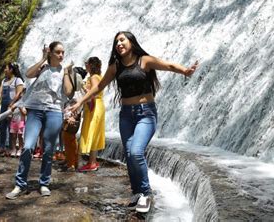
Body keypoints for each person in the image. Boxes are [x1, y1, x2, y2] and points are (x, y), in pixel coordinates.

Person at [69, 31, 197, 213]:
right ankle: (137, 192)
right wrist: (80, 101)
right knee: (129, 155)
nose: (119, 44)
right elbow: (99, 85)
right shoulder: (115, 66)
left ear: (131, 42)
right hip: (126, 116)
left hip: (146, 114)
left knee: (136, 151)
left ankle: (145, 193)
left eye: (122, 40)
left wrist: (184, 70)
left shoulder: (144, 60)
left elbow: (167, 64)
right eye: (116, 42)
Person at [6, 41, 73, 199]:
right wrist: (43, 59)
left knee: (49, 149)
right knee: (28, 146)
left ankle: (44, 183)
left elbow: (69, 92)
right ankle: (20, 184)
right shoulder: (43, 67)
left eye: (63, 52)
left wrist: (66, 73)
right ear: (50, 52)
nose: (61, 55)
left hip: (54, 111)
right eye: (57, 52)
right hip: (35, 110)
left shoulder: (64, 70)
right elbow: (28, 74)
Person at [78, 57, 105, 172]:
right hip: (98, 105)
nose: (85, 65)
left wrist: (82, 86)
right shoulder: (98, 76)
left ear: (91, 65)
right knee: (95, 132)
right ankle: (93, 161)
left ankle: (92, 163)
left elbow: (94, 90)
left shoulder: (94, 77)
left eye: (86, 63)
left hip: (94, 107)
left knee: (92, 132)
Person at [0, 62, 24, 156]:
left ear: (11, 69)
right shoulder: (4, 80)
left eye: (6, 68)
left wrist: (11, 104)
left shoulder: (18, 80)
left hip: (13, 106)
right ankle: (2, 146)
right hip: (4, 105)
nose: (4, 70)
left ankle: (11, 147)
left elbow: (19, 93)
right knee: (2, 126)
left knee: (11, 127)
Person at [61, 66, 87, 171]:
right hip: (70, 116)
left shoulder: (77, 89)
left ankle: (71, 164)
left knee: (69, 140)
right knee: (69, 139)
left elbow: (77, 105)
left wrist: (72, 117)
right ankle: (70, 160)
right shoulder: (78, 87)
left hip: (72, 117)